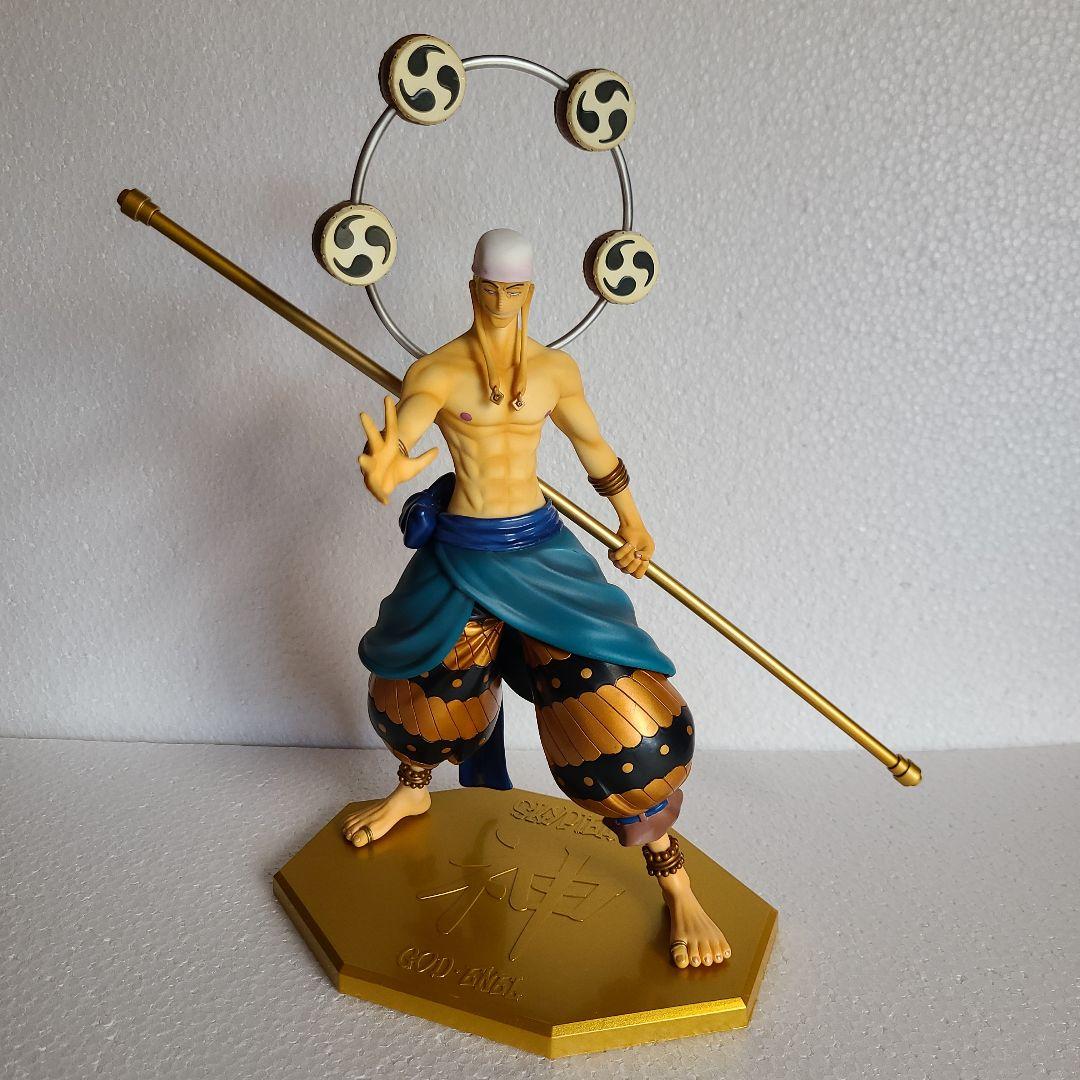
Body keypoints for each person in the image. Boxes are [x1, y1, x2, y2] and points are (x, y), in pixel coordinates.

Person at [344, 228, 729, 969]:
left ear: (532, 292)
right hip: (462, 551)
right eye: (489, 287)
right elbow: (412, 420)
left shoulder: (555, 371)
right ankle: (414, 789)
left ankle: (676, 882)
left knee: (615, 711)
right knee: (418, 679)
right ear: (470, 287)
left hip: (540, 551)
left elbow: (594, 448)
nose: (500, 301)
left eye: (514, 289)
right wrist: (388, 463)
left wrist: (633, 520)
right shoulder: (437, 370)